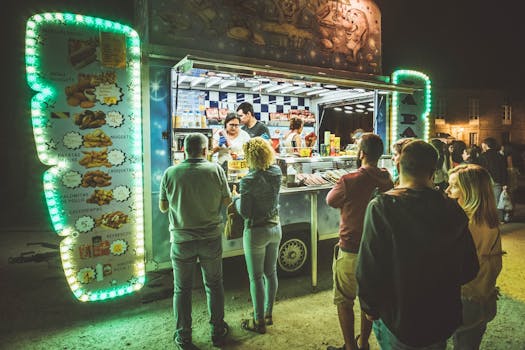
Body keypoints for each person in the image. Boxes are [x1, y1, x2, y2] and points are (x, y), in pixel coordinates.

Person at [356, 139, 479, 350]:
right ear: (433, 172)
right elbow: (470, 268)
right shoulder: (452, 209)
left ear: (398, 167)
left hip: (398, 318)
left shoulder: (382, 207)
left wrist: (370, 307)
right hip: (441, 319)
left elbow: (368, 266)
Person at [159, 133, 231, 350]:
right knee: (214, 285)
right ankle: (218, 330)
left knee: (182, 289)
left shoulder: (170, 173)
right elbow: (227, 201)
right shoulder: (216, 170)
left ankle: (183, 336)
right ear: (204, 149)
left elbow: (163, 207)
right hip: (210, 238)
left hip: (182, 240)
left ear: (184, 150)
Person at [325, 133, 394, 350]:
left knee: (345, 301)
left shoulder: (349, 180)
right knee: (369, 300)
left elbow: (330, 200)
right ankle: (364, 343)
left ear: (361, 153)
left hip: (351, 249)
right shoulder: (387, 178)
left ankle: (349, 346)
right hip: (377, 252)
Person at [446, 164, 504, 349]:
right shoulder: (488, 220)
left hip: (465, 300)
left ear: (471, 191)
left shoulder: (462, 224)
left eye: (454, 186)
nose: (447, 190)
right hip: (484, 298)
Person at [232, 137, 283, 334]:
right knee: (271, 273)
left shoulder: (247, 180)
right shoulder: (277, 172)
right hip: (275, 228)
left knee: (256, 278)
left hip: (255, 231)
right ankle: (269, 314)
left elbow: (245, 212)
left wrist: (236, 198)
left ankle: (258, 321)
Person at [478, 137, 507, 223]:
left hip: (485, 182)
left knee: (486, 201)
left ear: (486, 145)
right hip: (497, 182)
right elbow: (504, 171)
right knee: (498, 202)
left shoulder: (482, 156)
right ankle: (499, 219)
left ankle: (487, 219)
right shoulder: (501, 156)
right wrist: (505, 184)